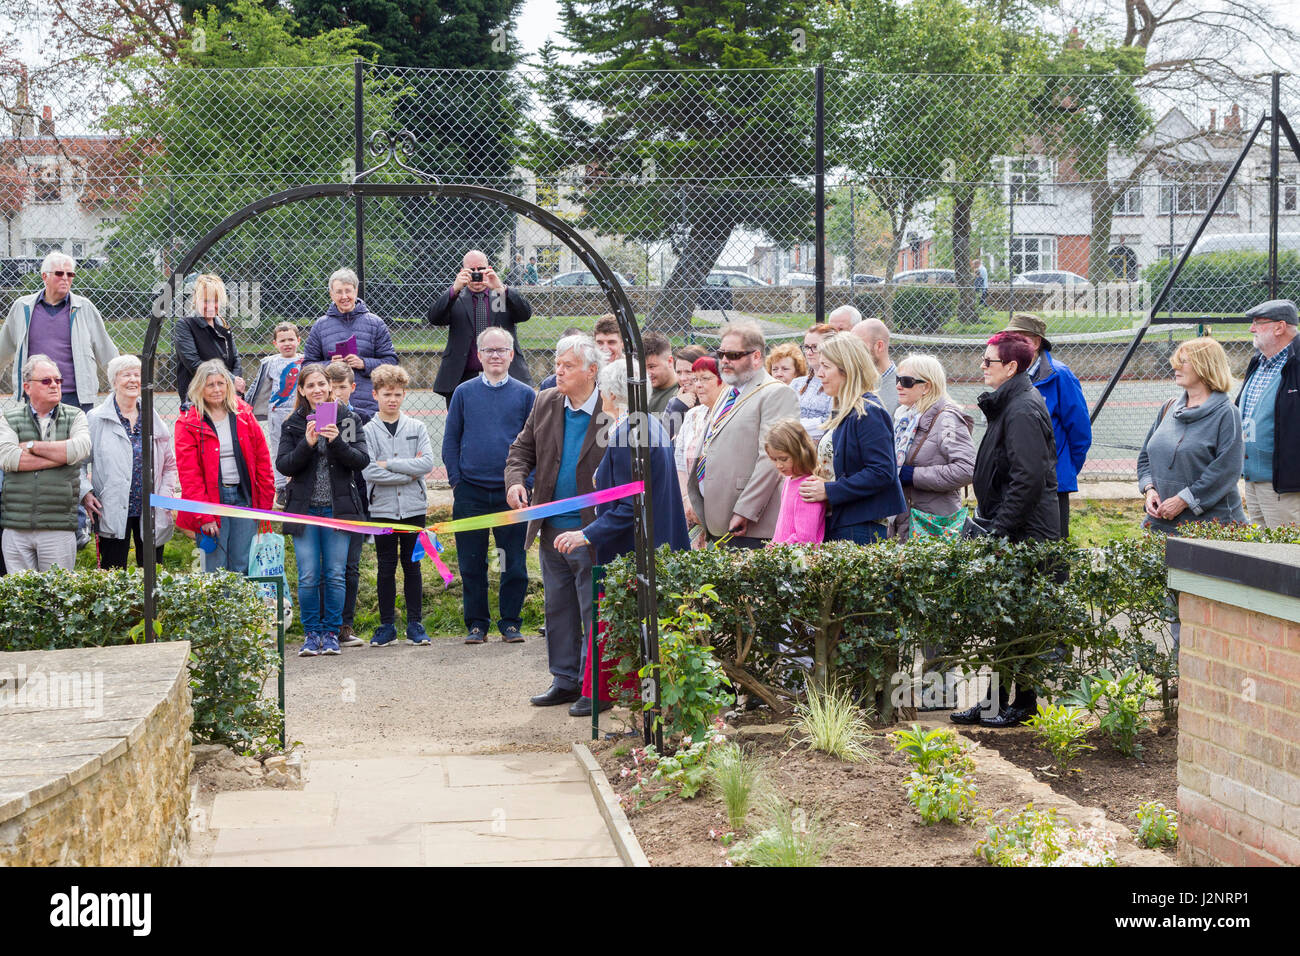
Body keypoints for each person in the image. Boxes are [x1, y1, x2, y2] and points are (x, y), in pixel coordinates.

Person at [554, 358, 689, 717]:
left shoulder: (632, 431)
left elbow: (633, 505)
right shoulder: (643, 424)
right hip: (649, 543)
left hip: (634, 550)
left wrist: (586, 534)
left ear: (612, 392)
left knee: (624, 623)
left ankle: (607, 692)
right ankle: (614, 690)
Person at [951, 331, 1059, 729]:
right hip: (1011, 527)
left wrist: (999, 530)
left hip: (1026, 533)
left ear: (1011, 367)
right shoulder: (1010, 403)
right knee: (1004, 620)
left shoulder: (1022, 409)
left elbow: (1028, 478)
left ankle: (1025, 703)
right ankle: (994, 700)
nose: (982, 367)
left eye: (988, 362)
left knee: (1023, 620)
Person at [505, 335, 610, 707]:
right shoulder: (546, 401)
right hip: (550, 527)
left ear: (591, 371)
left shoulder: (612, 410)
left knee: (593, 607)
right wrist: (516, 482)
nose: (558, 371)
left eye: (567, 365)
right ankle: (564, 679)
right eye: (557, 363)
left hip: (592, 529)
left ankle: (596, 686)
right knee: (559, 608)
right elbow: (521, 450)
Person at [444, 327, 535, 645]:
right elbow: (451, 440)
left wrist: (526, 484)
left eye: (502, 350)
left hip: (512, 494)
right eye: (489, 350)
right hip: (470, 492)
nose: (495, 355)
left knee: (513, 563)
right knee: (472, 562)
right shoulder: (463, 393)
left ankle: (510, 622)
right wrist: (457, 482)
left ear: (512, 355)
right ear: (479, 355)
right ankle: (476, 624)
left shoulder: (526, 395)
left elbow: (534, 445)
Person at [277, 363, 370, 657]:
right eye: (311, 386)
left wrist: (336, 442)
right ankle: (311, 633)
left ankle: (331, 632)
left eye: (322, 384)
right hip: (304, 510)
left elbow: (361, 460)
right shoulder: (292, 423)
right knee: (308, 575)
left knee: (334, 574)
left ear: (329, 387)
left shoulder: (348, 418)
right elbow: (284, 465)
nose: (317, 390)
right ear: (302, 390)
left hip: (338, 510)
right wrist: (307, 443)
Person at [687, 321, 800, 547]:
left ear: (756, 357)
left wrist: (746, 510)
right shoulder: (729, 392)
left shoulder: (776, 393)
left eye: (734, 354)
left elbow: (772, 459)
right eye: (721, 354)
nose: (725, 360)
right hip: (718, 519)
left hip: (751, 526)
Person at [797, 334, 906, 544]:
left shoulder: (869, 412)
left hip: (860, 526)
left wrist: (829, 490)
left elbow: (882, 472)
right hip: (842, 521)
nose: (819, 374)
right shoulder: (845, 410)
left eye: (826, 367)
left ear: (846, 370)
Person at [173, 359, 275, 574]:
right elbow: (189, 475)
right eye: (210, 385)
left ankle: (239, 608)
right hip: (212, 500)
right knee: (214, 568)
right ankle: (215, 608)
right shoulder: (188, 423)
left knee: (242, 564)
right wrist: (205, 516)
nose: (217, 389)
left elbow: (263, 461)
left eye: (221, 383)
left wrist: (264, 506)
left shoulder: (244, 415)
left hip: (243, 497)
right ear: (199, 388)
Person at [1138, 338, 1245, 533]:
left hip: (1211, 527)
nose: (1175, 366)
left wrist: (1184, 500)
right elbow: (1146, 456)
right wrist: (1149, 489)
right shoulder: (1168, 408)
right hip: (1160, 523)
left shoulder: (1227, 413)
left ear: (1206, 367)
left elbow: (1226, 470)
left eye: (1184, 361)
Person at [1000, 313, 1091, 538]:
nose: (1013, 344)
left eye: (1020, 338)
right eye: (1009, 338)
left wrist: (1059, 471)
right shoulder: (1008, 373)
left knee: (1051, 557)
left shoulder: (1059, 375)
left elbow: (1080, 433)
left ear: (1037, 342)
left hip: (1051, 487)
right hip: (1016, 483)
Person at [363, 364, 435, 647]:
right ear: (375, 395)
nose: (392, 399)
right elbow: (369, 471)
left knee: (413, 565)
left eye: (397, 394)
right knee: (385, 567)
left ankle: (415, 624)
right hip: (381, 509)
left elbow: (427, 463)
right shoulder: (368, 430)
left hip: (414, 508)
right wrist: (409, 472)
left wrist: (390, 464)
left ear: (405, 395)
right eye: (386, 394)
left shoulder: (417, 427)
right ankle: (386, 625)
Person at [85, 355, 179, 568]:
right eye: (126, 375)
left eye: (137, 375)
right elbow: (79, 464)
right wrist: (86, 493)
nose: (133, 380)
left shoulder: (152, 416)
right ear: (114, 381)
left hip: (150, 507)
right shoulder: (96, 418)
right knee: (112, 572)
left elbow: (169, 466)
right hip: (110, 506)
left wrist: (164, 498)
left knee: (152, 572)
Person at [0, 355, 91, 570]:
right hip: (16, 526)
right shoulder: (9, 418)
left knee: (56, 599)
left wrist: (32, 446)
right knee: (20, 598)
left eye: (58, 381)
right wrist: (61, 458)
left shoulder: (75, 415)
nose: (54, 385)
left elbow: (80, 449)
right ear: (27, 387)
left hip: (58, 526)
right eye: (46, 381)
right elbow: (7, 457)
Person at [0, 250, 119, 413]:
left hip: (76, 398)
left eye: (70, 274)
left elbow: (106, 351)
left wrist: (124, 382)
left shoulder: (84, 308)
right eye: (59, 273)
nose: (65, 278)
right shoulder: (23, 307)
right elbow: (3, 351)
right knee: (36, 439)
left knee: (77, 439)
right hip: (35, 397)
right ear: (44, 277)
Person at [888, 353, 976, 540]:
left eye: (906, 381)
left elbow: (967, 469)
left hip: (933, 525)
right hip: (906, 521)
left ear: (926, 386)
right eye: (898, 379)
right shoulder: (904, 417)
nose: (898, 385)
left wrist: (914, 475)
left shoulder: (946, 419)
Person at [429, 249, 533, 403]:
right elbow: (434, 318)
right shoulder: (455, 299)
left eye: (481, 269)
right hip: (462, 377)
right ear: (462, 272)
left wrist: (501, 289)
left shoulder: (500, 297)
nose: (476, 274)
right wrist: (454, 289)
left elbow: (525, 314)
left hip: (504, 374)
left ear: (489, 269)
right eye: (471, 270)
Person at [1236, 298, 1300, 527]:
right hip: (1254, 480)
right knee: (1263, 553)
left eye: (1258, 323)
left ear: (1280, 327)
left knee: (1287, 553)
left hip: (1284, 484)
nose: (1252, 328)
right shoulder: (1258, 362)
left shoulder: (1297, 363)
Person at [302, 268, 399, 420]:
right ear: (331, 294)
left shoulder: (375, 323)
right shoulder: (320, 326)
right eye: (339, 292)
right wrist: (329, 365)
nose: (344, 296)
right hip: (328, 402)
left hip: (368, 403)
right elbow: (307, 365)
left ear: (356, 291)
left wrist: (364, 363)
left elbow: (391, 363)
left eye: (348, 291)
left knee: (366, 443)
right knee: (327, 440)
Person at [324, 361, 369, 646]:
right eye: (332, 387)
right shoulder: (313, 418)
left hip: (355, 500)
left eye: (342, 387)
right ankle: (323, 626)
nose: (337, 393)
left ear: (352, 388)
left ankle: (345, 626)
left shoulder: (356, 418)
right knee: (327, 568)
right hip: (324, 503)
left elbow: (357, 460)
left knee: (350, 566)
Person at [244, 321, 303, 501]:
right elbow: (258, 387)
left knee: (302, 446)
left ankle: (299, 482)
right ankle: (281, 487)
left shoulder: (305, 360)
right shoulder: (270, 363)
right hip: (277, 412)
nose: (287, 344)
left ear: (299, 340)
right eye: (282, 340)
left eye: (291, 339)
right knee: (278, 449)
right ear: (275, 343)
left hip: (299, 411)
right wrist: (246, 405)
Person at [173, 273, 244, 407]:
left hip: (227, 395)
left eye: (215, 301)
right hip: (199, 397)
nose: (211, 306)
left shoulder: (223, 324)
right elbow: (194, 364)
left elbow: (235, 358)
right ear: (195, 300)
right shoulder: (185, 325)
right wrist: (231, 380)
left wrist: (235, 384)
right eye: (206, 301)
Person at [676, 356, 723, 548]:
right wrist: (687, 500)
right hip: (690, 511)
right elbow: (679, 461)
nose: (699, 385)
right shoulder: (693, 415)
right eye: (696, 380)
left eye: (705, 379)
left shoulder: (731, 414)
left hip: (719, 511)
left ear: (723, 380)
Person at [765, 419, 825, 544]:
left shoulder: (808, 487)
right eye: (774, 459)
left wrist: (776, 551)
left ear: (800, 452)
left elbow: (805, 539)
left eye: (783, 459)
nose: (779, 465)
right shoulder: (789, 480)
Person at [791, 324, 836, 439]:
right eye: (806, 347)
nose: (809, 352)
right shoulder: (796, 384)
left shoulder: (836, 384)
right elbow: (782, 418)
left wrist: (794, 426)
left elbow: (829, 423)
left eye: (815, 347)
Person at [850, 317, 898, 417]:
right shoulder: (852, 382)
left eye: (858, 346)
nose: (851, 352)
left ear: (879, 346)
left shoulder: (903, 387)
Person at [661, 345, 707, 438]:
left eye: (688, 372)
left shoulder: (713, 400)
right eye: (678, 372)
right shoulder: (675, 402)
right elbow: (663, 440)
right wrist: (677, 408)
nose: (683, 378)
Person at [643, 331, 679, 416]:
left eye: (652, 367)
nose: (647, 374)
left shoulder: (681, 393)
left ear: (670, 362)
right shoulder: (642, 390)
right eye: (642, 368)